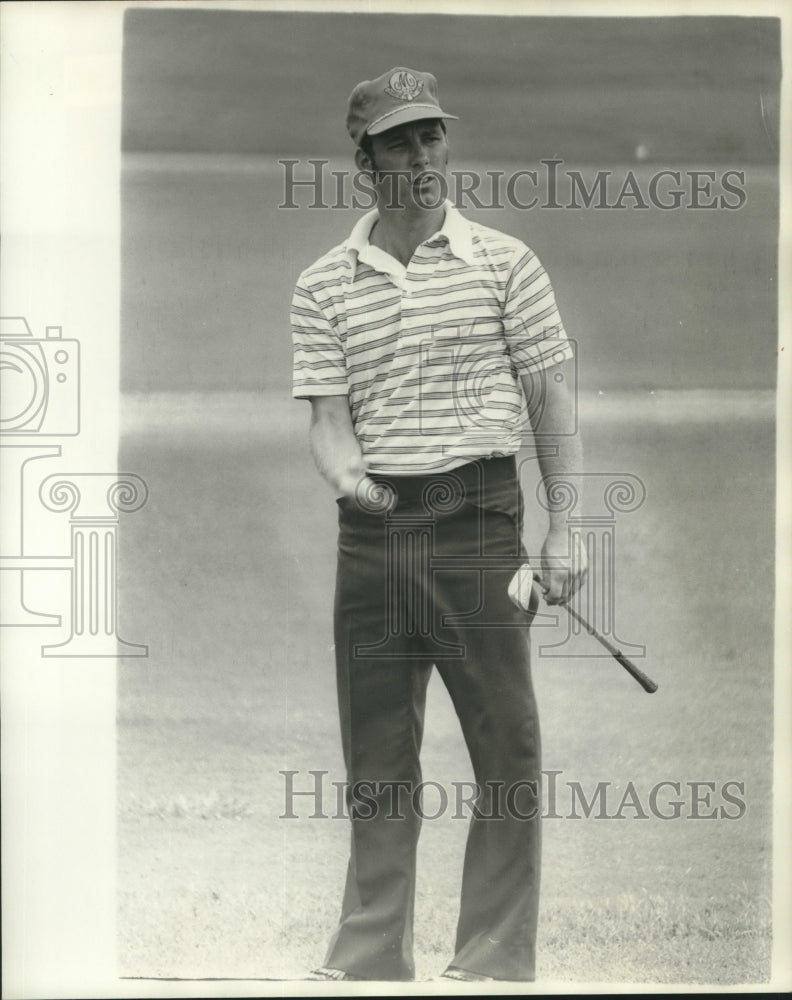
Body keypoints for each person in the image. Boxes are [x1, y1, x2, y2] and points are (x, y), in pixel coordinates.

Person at [290, 66, 587, 983]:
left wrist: (564, 532)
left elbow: (553, 399)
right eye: (400, 142)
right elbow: (330, 422)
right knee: (377, 751)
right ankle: (371, 955)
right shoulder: (323, 284)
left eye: (432, 137)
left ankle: (490, 962)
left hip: (479, 522)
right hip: (374, 533)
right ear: (365, 159)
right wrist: (351, 480)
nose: (422, 156)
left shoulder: (505, 262)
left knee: (507, 743)